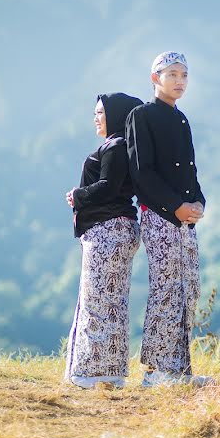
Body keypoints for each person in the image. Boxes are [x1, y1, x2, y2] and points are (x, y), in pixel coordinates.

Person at [125, 51, 212, 387]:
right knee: (166, 288)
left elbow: (190, 171)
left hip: (185, 218)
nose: (179, 81)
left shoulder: (182, 119)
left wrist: (198, 203)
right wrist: (175, 206)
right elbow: (141, 172)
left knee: (187, 288)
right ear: (155, 78)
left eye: (185, 75)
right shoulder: (141, 116)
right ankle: (158, 372)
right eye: (172, 74)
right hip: (159, 215)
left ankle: (179, 370)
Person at [64, 92, 143, 389]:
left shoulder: (116, 146)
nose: (96, 117)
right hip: (119, 229)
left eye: (100, 112)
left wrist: (78, 194)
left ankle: (90, 374)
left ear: (116, 114)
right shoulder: (126, 145)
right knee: (112, 303)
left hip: (107, 229)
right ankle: (109, 373)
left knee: (97, 301)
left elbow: (108, 186)